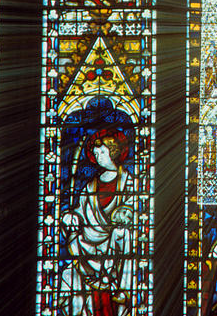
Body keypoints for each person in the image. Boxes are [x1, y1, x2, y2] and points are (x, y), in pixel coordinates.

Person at [60, 130, 138, 316]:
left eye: (102, 152)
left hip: (116, 246)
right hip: (89, 242)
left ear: (113, 152)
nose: (98, 157)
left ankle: (121, 289)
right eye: (95, 154)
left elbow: (134, 209)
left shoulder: (129, 182)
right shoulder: (90, 186)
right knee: (68, 275)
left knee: (122, 233)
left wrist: (125, 212)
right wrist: (71, 217)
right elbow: (80, 212)